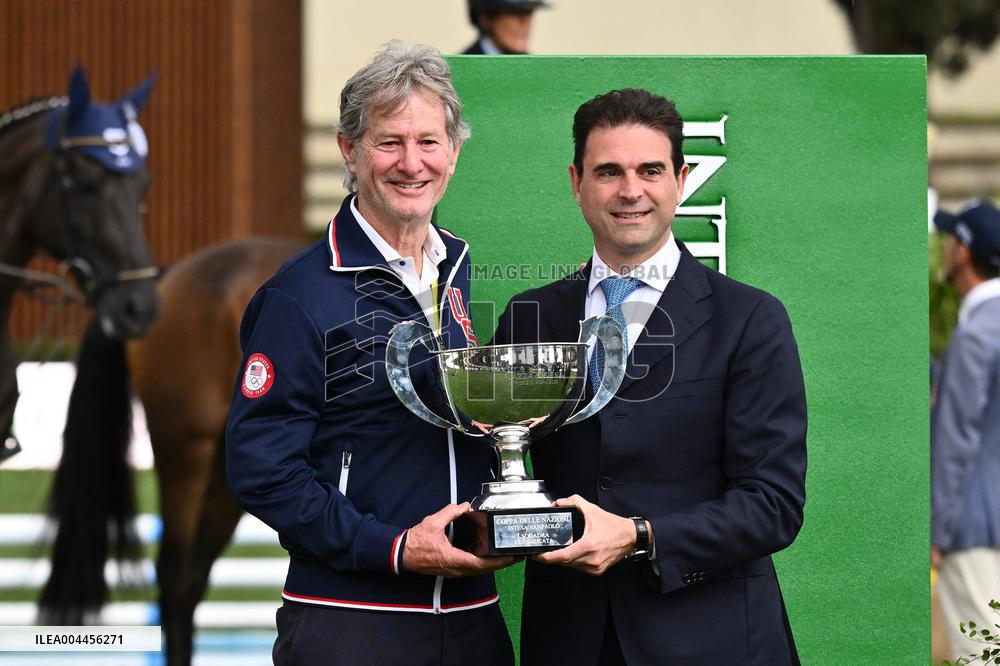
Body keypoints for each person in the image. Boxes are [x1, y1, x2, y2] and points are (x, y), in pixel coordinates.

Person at [492, 88, 808, 664]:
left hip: (712, 641)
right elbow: (497, 465)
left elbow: (773, 504)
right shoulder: (530, 317)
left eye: (650, 170)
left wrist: (641, 536)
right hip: (569, 641)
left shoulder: (749, 319)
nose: (630, 190)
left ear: (681, 180)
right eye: (608, 171)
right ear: (576, 182)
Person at [225, 42, 517, 666]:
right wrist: (392, 548)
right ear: (349, 151)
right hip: (353, 624)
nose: (412, 163)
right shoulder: (299, 296)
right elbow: (262, 470)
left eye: (429, 142)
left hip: (473, 620)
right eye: (389, 142)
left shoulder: (454, 272)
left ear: (454, 153)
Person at [931, 200, 1000, 660]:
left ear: (963, 250)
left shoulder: (978, 333)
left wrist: (938, 530)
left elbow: (958, 439)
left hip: (973, 527)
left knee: (982, 655)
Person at [462, 0, 549, 55]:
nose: (526, 23)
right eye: (516, 13)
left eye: (529, 13)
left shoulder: (534, 68)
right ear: (485, 19)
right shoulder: (458, 72)